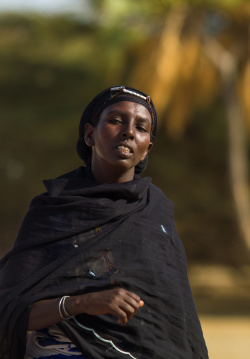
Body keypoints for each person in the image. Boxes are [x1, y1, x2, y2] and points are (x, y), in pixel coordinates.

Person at [0, 86, 208, 359]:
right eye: (116, 120)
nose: (129, 132)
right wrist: (81, 303)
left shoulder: (156, 212)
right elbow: (8, 311)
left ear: (147, 149)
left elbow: (174, 314)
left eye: (141, 127)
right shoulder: (54, 209)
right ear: (90, 134)